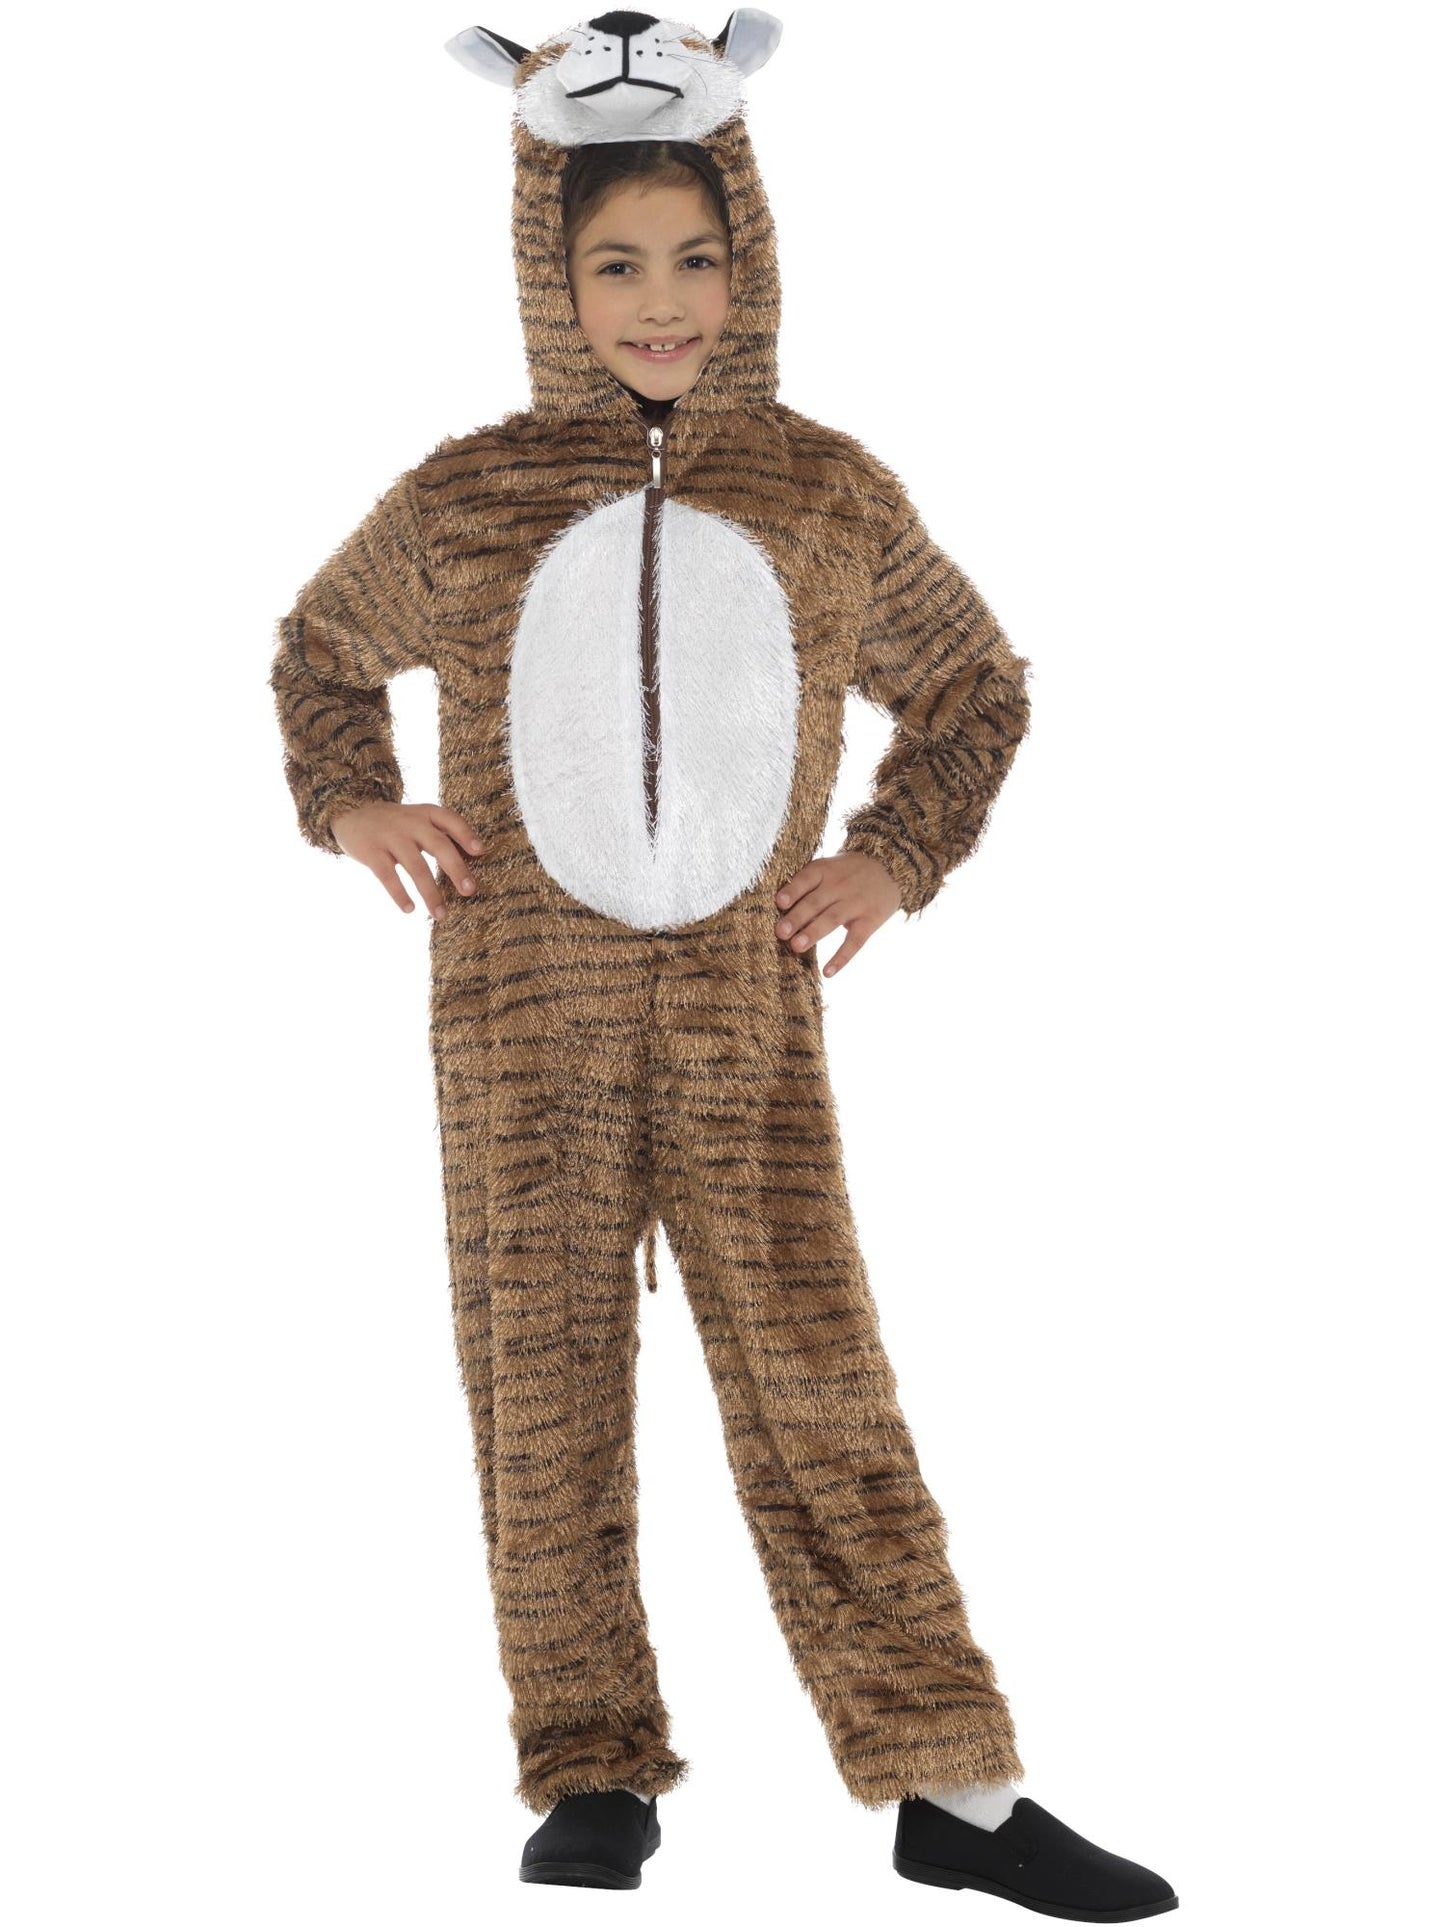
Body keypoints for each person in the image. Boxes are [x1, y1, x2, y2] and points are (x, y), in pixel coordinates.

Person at [269, 12, 1178, 1914]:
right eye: (614, 265)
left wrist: (894, 856)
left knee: (816, 1377)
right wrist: (352, 803)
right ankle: (590, 1761)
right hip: (518, 1022)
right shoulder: (466, 497)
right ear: (551, 275)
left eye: (694, 257)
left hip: (743, 1019)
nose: (659, 302)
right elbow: (319, 651)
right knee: (542, 1387)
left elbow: (976, 689)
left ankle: (951, 1789)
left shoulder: (827, 494)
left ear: (749, 257)